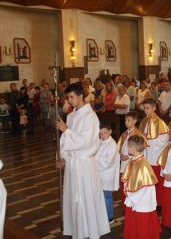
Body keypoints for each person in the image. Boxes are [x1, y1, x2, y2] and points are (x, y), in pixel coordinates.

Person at [55, 82, 110, 238]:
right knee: (74, 198)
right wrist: (63, 158)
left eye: (72, 97)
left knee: (85, 198)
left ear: (80, 96)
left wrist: (67, 130)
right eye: (68, 97)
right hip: (73, 164)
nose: (70, 100)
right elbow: (66, 141)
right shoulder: (71, 116)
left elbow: (86, 141)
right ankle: (78, 230)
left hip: (84, 164)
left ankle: (90, 231)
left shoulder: (90, 116)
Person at [121, 135, 160, 239]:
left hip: (141, 202)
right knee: (134, 224)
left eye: (128, 146)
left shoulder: (143, 165)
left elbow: (144, 188)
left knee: (142, 226)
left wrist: (129, 194)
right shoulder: (133, 160)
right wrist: (127, 189)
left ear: (133, 149)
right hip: (134, 199)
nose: (127, 148)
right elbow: (129, 178)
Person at [139, 98, 169, 206]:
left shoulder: (159, 122)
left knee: (157, 179)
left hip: (155, 155)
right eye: (145, 108)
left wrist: (149, 140)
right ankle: (151, 200)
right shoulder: (144, 121)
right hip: (147, 154)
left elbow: (164, 139)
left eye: (148, 108)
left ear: (154, 108)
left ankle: (159, 201)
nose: (146, 110)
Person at [117, 111, 148, 205]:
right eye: (125, 120)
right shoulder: (124, 134)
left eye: (128, 120)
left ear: (134, 121)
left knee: (131, 183)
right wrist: (120, 155)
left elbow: (141, 150)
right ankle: (124, 204)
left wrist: (129, 155)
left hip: (133, 163)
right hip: (124, 163)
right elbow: (120, 148)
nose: (126, 122)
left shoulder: (138, 134)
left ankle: (132, 204)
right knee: (124, 184)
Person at [95, 122, 120, 223]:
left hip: (106, 175)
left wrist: (94, 165)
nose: (102, 135)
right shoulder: (99, 141)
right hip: (99, 174)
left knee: (107, 196)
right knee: (100, 195)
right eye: (100, 133)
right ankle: (102, 214)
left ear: (110, 132)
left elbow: (107, 163)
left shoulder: (112, 145)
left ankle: (110, 216)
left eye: (105, 133)